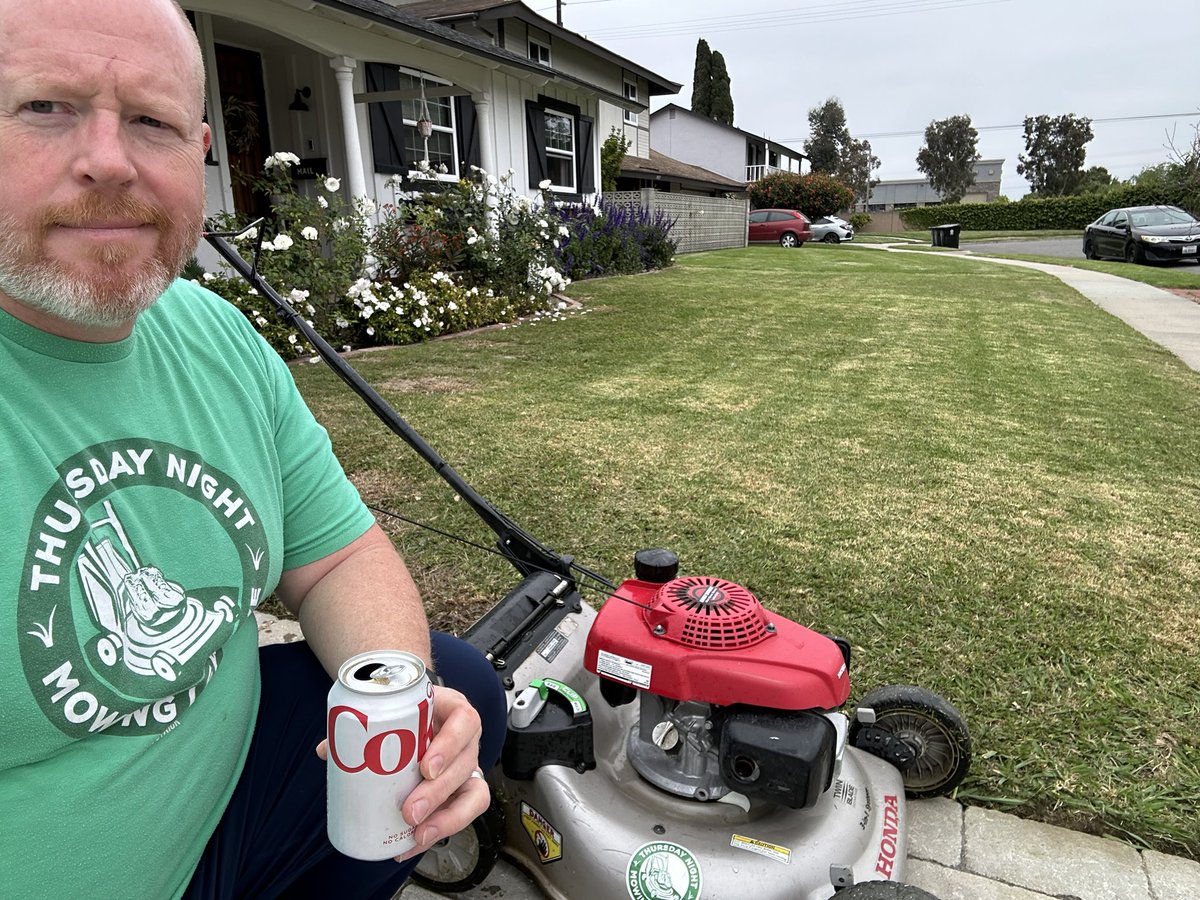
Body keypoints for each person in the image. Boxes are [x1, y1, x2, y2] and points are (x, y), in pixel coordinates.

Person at [0, 0, 506, 897]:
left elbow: (338, 556)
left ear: (199, 151)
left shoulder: (212, 333)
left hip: (215, 793)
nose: (109, 161)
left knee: (450, 683)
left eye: (151, 122)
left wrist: (403, 698)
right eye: (46, 106)